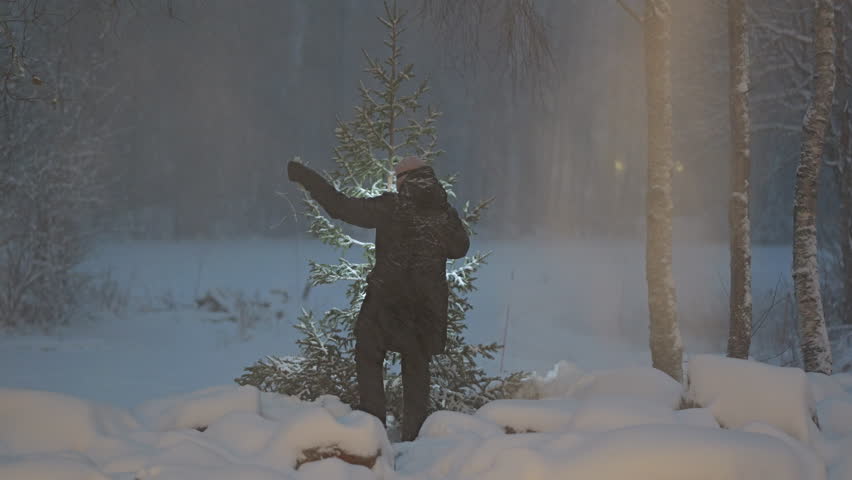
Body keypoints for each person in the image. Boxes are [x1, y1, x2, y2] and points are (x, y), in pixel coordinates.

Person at [287, 155, 469, 441]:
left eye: (398, 179)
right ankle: (415, 441)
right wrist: (444, 213)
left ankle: (372, 433)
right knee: (417, 370)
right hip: (426, 308)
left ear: (404, 180)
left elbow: (339, 207)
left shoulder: (391, 207)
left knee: (369, 356)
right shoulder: (443, 212)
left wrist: (305, 176)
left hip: (387, 303)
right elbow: (460, 248)